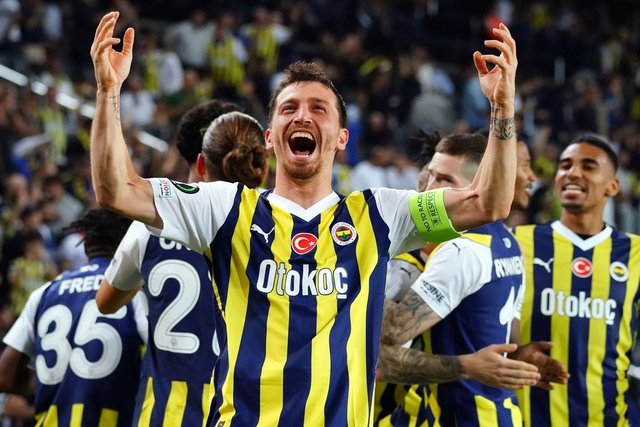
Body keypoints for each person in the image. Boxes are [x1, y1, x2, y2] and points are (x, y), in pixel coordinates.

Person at [90, 11, 519, 425]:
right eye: (289, 107)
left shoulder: (381, 213)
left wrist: (502, 109)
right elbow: (117, 189)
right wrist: (108, 91)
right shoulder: (224, 208)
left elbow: (488, 203)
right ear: (270, 137)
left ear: (341, 138)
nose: (302, 116)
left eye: (319, 108)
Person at [95, 105, 269, 426]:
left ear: (201, 162)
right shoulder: (276, 228)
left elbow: (105, 302)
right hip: (241, 409)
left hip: (165, 412)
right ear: (258, 163)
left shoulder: (148, 227)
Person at [376, 135, 567, 426]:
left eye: (444, 180)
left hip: (460, 416)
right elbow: (508, 340)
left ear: (478, 185)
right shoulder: (509, 243)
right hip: (498, 414)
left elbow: (390, 337)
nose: (428, 189)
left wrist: (366, 267)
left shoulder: (460, 250)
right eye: (430, 177)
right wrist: (519, 356)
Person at [512, 134, 640, 426]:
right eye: (565, 165)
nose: (572, 173)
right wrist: (515, 353)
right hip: (526, 418)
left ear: (613, 186)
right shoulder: (518, 242)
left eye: (588, 166)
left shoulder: (635, 253)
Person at [0, 208, 147, 426]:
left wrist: (57, 380)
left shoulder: (45, 293)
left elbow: (4, 377)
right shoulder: (134, 293)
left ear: (86, 246)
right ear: (127, 242)